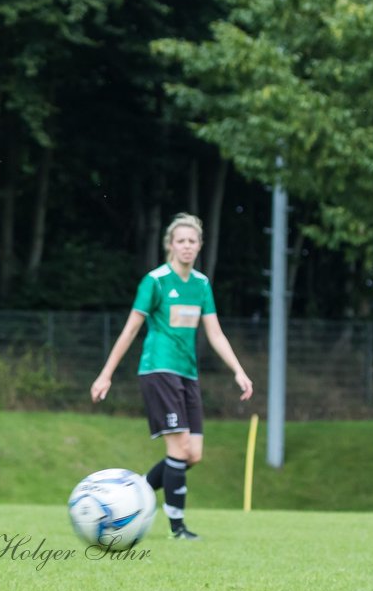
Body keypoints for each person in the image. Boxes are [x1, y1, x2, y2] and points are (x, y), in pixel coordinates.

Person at [90, 212, 253, 540]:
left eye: (193, 241)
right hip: (159, 371)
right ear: (170, 245)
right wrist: (106, 374)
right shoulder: (156, 281)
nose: (187, 246)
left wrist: (238, 370)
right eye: (181, 241)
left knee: (193, 454)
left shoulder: (202, 284)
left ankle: (132, 493)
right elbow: (131, 328)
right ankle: (178, 529)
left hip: (188, 375)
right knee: (178, 450)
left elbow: (216, 333)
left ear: (200, 245)